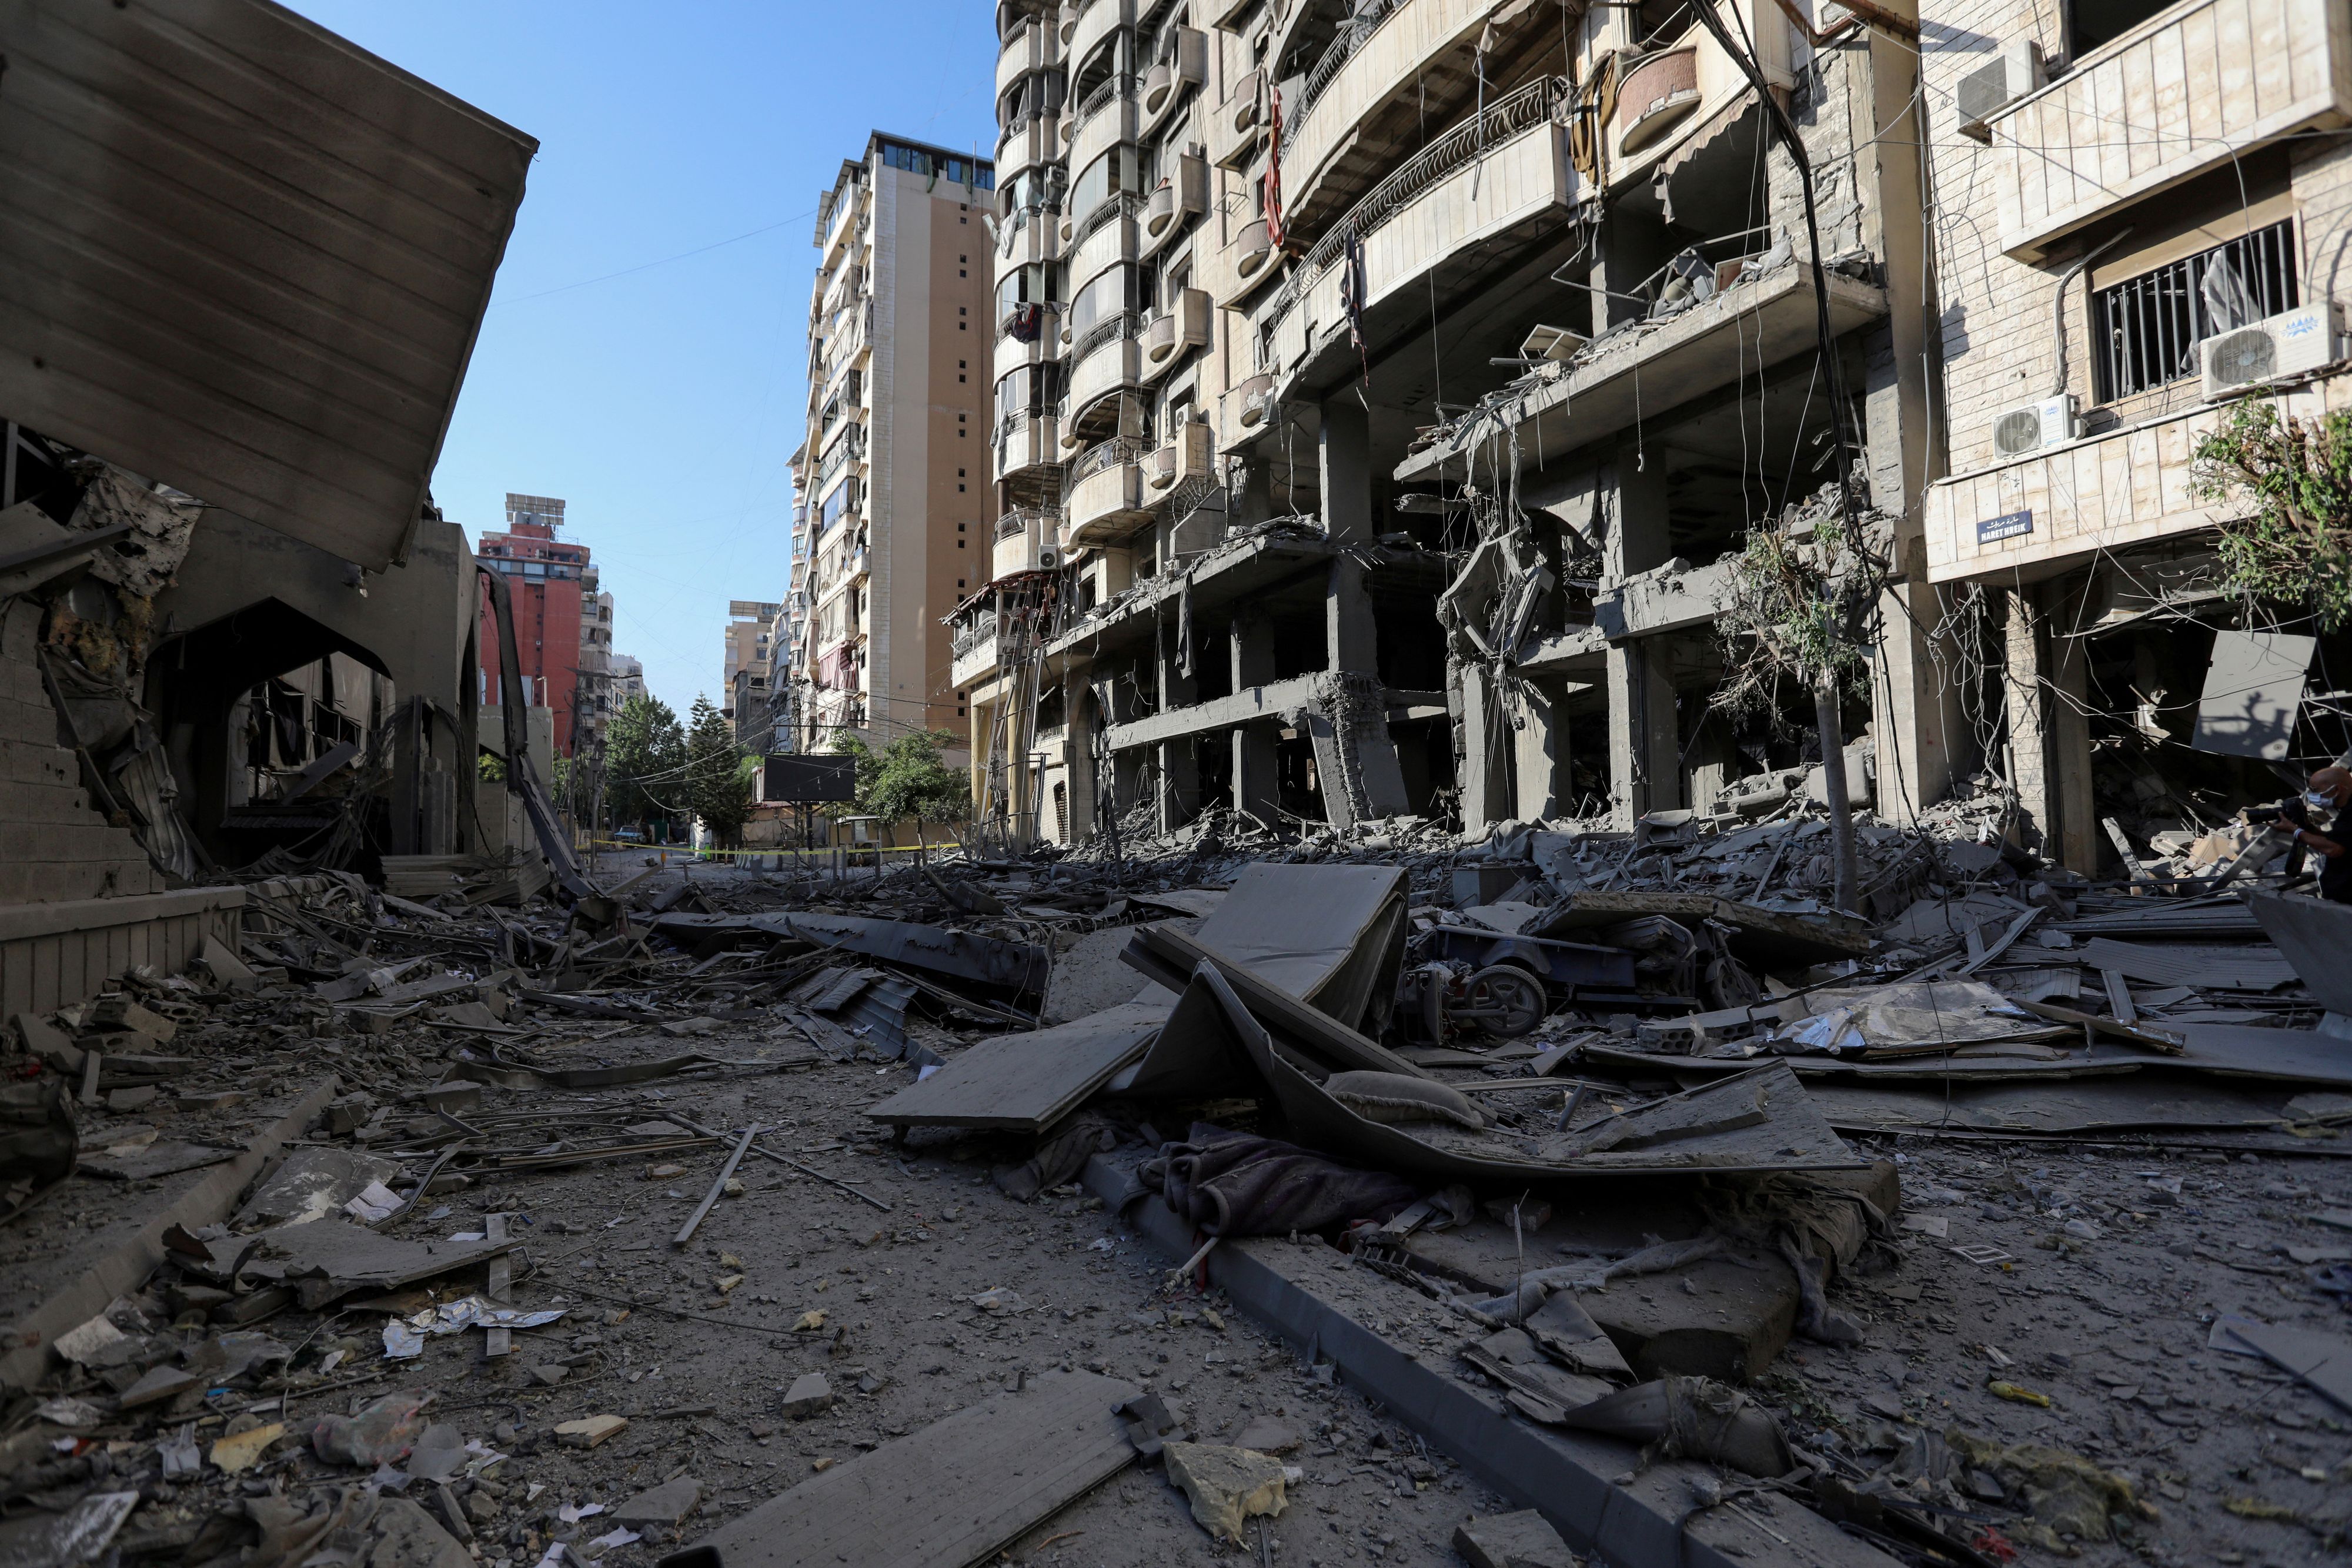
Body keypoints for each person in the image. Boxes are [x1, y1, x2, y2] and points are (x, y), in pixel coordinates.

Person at [2276, 765, 2352, 904]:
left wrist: (2296, 831)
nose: (2313, 796)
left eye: (2315, 790)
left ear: (2337, 789)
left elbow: (2334, 849)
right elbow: (2341, 839)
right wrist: (2307, 827)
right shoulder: (2346, 811)